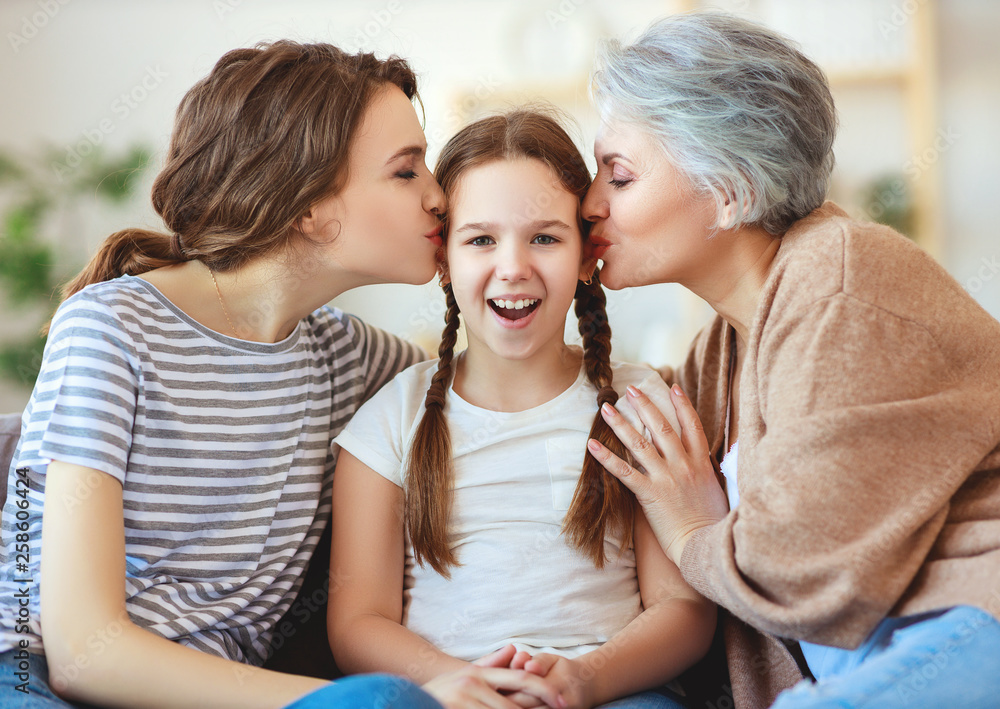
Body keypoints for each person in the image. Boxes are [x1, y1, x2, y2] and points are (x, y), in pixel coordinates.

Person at [0, 42, 565, 709]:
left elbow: (511, 386)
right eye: (406, 171)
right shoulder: (110, 330)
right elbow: (80, 652)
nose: (440, 197)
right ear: (309, 206)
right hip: (36, 679)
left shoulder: (345, 357)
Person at [580, 11, 1000, 709]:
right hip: (868, 662)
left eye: (618, 177)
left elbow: (806, 566)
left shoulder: (844, 275)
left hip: (972, 622)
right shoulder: (721, 349)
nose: (590, 204)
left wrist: (692, 533)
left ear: (732, 191)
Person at [321, 109, 715, 709]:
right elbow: (358, 622)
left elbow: (683, 607)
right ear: (444, 263)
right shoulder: (388, 422)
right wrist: (461, 682)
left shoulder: (638, 407)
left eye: (545, 238)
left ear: (587, 258)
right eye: (480, 239)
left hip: (611, 693)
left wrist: (588, 679)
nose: (513, 267)